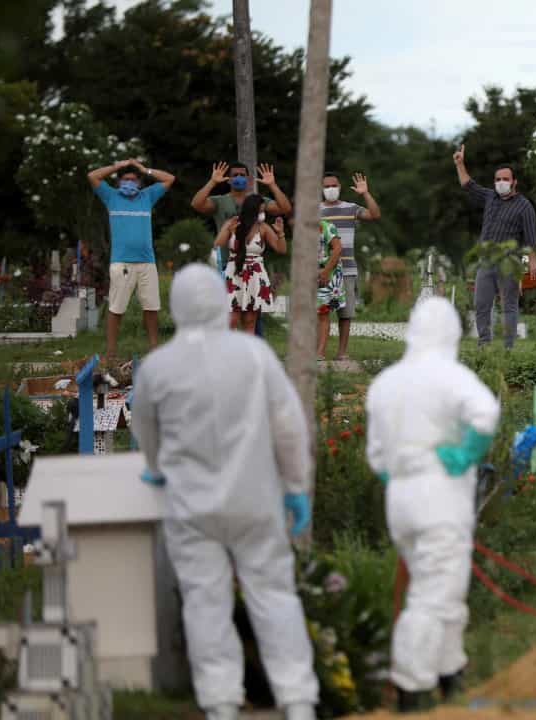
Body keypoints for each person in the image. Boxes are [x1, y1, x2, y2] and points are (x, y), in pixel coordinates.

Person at [130, 264, 318, 720]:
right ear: (222, 301)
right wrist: (295, 486)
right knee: (273, 595)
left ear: (175, 307)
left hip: (190, 507)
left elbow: (146, 431)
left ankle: (220, 704)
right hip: (256, 500)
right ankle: (297, 701)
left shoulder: (157, 368)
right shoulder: (254, 355)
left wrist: (156, 469)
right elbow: (288, 426)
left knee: (204, 602)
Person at [366, 297, 500, 712]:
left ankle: (449, 672)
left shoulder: (385, 383)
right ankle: (410, 687)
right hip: (439, 496)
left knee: (442, 586)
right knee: (432, 594)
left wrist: (399, 476)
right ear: (452, 334)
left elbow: (376, 455)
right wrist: (465, 454)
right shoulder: (449, 375)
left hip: (400, 499)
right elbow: (486, 413)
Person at [87, 158, 176, 362]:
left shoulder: (147, 196)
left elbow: (169, 179)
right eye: (125, 179)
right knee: (116, 307)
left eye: (134, 179)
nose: (129, 182)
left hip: (147, 262)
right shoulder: (111, 196)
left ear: (140, 183)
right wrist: (116, 166)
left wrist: (145, 169)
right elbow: (93, 176)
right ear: (119, 182)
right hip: (121, 263)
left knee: (151, 307)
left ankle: (153, 348)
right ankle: (111, 352)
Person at [191, 161, 292, 337]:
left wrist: (272, 185)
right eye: (235, 175)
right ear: (229, 179)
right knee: (229, 317)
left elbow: (285, 208)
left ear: (249, 179)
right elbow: (197, 204)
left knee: (252, 319)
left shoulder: (257, 203)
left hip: (254, 270)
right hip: (227, 266)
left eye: (242, 175)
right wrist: (213, 182)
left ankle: (252, 349)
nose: (239, 178)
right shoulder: (221, 201)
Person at [453, 144, 536, 349]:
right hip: (486, 261)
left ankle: (508, 347)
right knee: (481, 304)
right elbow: (468, 184)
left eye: (505, 179)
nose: (501, 182)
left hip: (509, 263)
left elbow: (530, 239)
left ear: (514, 182)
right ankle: (484, 344)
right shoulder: (490, 197)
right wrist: (460, 164)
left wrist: (532, 264)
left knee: (509, 305)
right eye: (498, 179)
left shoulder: (524, 206)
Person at [320, 172, 382, 360]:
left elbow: (375, 214)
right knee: (321, 312)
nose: (331, 189)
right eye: (327, 186)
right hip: (322, 270)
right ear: (321, 189)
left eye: (334, 185)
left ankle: (342, 353)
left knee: (345, 314)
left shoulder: (350, 208)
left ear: (339, 187)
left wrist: (365, 193)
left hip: (346, 268)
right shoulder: (315, 210)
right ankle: (319, 351)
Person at [214, 195, 287, 332]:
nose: (262, 214)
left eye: (263, 211)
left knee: (250, 320)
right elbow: (217, 244)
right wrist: (229, 230)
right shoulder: (233, 223)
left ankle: (248, 346)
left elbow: (281, 249)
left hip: (255, 275)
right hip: (235, 273)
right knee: (231, 320)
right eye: (260, 211)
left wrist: (281, 233)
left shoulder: (263, 227)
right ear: (250, 210)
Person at [316, 219, 346, 358]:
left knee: (322, 312)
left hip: (328, 272)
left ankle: (320, 352)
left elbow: (337, 249)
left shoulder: (327, 227)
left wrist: (325, 272)